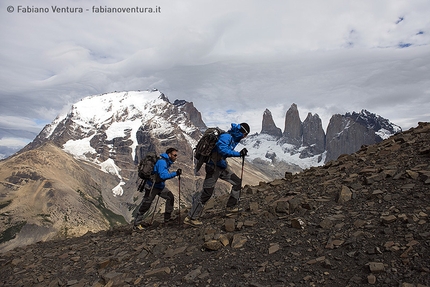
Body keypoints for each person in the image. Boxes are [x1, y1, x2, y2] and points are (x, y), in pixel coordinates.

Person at [184, 123, 249, 227]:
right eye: (245, 135)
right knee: (207, 193)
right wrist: (238, 154)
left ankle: (230, 209)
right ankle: (191, 218)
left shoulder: (232, 137)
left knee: (237, 182)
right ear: (243, 133)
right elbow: (222, 150)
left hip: (221, 166)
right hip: (213, 168)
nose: (245, 137)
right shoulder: (227, 137)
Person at [134, 147, 182, 230]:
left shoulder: (166, 161)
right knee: (146, 204)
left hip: (159, 186)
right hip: (152, 187)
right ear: (169, 154)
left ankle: (167, 219)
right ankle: (136, 225)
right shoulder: (162, 162)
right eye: (174, 155)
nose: (176, 157)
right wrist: (175, 173)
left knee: (170, 197)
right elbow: (163, 176)